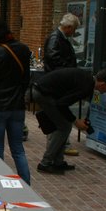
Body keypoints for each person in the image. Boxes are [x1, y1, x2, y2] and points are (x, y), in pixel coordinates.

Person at [32, 67, 106, 173]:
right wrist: (76, 122)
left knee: (64, 125)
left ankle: (58, 162)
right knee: (63, 127)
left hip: (45, 91)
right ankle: (45, 163)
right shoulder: (86, 86)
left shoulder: (88, 81)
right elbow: (62, 105)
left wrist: (78, 120)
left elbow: (63, 102)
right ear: (103, 84)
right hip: (43, 94)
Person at [0, 16, 31, 185]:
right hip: (17, 106)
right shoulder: (23, 49)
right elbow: (26, 79)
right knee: (18, 149)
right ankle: (26, 184)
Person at [43, 12, 81, 156]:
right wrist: (68, 70)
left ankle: (60, 147)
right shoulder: (56, 38)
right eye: (74, 29)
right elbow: (53, 58)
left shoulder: (60, 38)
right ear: (69, 27)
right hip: (57, 83)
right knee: (57, 117)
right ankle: (55, 149)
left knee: (58, 117)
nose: (74, 32)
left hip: (58, 81)